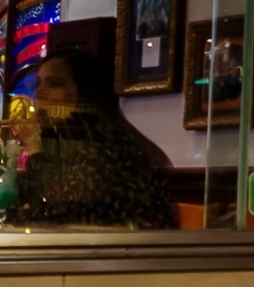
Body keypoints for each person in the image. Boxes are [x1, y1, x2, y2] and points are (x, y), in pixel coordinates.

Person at [9, 48, 172, 229]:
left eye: (54, 83)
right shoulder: (57, 148)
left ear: (85, 91)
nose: (39, 94)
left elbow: (63, 218)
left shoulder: (110, 150)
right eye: (37, 84)